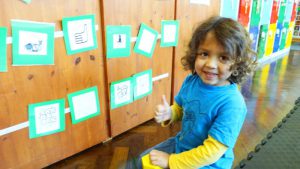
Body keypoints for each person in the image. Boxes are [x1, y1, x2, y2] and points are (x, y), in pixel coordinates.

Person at [137, 16, 257, 169]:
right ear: (195, 54)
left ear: (237, 63)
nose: (210, 64)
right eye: (204, 54)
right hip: (182, 145)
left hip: (209, 163)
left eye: (223, 57)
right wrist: (169, 113)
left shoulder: (233, 104)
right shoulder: (191, 81)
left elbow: (212, 152)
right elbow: (181, 109)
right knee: (142, 160)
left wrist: (171, 161)